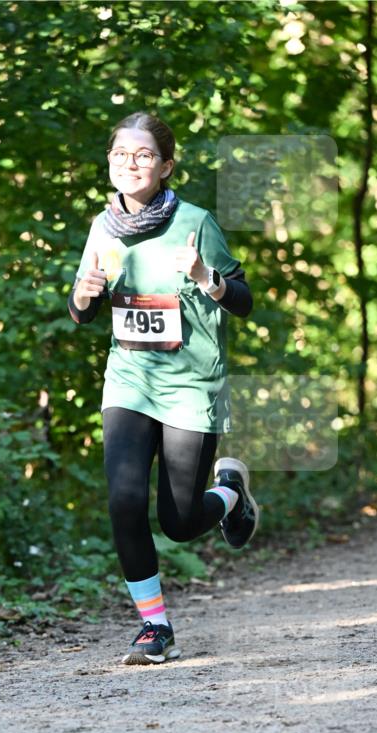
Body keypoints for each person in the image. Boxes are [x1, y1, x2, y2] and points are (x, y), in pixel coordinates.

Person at [67, 111, 260, 665]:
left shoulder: (197, 222)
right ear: (109, 162)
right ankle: (156, 627)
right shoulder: (102, 228)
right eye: (121, 154)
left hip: (191, 384)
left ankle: (228, 495)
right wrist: (83, 294)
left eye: (144, 154)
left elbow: (243, 300)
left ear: (166, 165)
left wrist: (207, 277)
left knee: (176, 523)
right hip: (129, 379)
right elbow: (82, 311)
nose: (131, 163)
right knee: (124, 502)